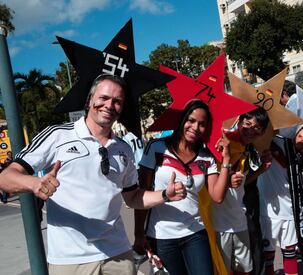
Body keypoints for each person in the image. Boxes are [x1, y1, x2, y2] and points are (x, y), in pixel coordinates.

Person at [0, 74, 186, 275]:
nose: (109, 105)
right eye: (103, 98)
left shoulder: (124, 149)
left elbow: (132, 197)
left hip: (118, 254)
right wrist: (34, 183)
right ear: (89, 100)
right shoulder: (58, 135)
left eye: (117, 101)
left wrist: (165, 195)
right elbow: (5, 177)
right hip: (71, 260)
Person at [138, 99, 234, 275]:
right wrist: (139, 234)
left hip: (195, 233)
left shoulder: (207, 157)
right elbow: (141, 194)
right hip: (162, 236)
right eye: (191, 120)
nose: (195, 128)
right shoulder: (156, 148)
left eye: (202, 124)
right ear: (181, 120)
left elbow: (218, 196)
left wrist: (226, 159)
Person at [258, 122, 303, 275]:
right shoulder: (276, 142)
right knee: (268, 254)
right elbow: (263, 136)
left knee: (290, 252)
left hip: (291, 210)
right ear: (298, 129)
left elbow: (292, 182)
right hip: (268, 211)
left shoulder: (301, 156)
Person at [211, 107, 272, 275]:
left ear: (262, 133)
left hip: (239, 220)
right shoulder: (223, 143)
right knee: (223, 270)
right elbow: (210, 181)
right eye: (247, 124)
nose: (251, 130)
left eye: (257, 128)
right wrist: (226, 181)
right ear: (239, 122)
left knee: (244, 269)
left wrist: (261, 169)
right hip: (219, 223)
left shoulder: (245, 150)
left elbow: (242, 183)